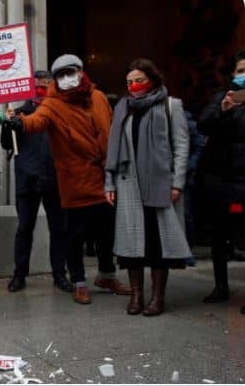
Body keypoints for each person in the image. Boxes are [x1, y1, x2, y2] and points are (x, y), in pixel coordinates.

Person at [2, 54, 132, 304]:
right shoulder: (52, 104)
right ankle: (79, 281)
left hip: (103, 176)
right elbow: (36, 121)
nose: (66, 78)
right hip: (72, 179)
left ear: (81, 72)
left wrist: (115, 167)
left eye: (70, 72)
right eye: (60, 75)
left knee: (106, 232)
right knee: (73, 234)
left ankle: (106, 274)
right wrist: (18, 123)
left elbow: (112, 130)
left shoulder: (99, 98)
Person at [105, 58, 191, 316]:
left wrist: (177, 183)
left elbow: (182, 147)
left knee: (157, 243)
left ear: (152, 79)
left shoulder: (171, 106)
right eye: (129, 81)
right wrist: (109, 182)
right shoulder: (124, 108)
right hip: (128, 183)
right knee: (131, 245)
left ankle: (158, 298)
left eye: (139, 80)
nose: (133, 85)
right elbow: (112, 147)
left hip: (160, 184)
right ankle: (136, 297)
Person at [2, 70, 72, 293]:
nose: (40, 90)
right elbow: (6, 144)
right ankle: (19, 275)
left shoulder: (60, 113)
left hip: (54, 179)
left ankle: (59, 274)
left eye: (44, 85)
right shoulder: (20, 113)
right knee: (24, 229)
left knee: (58, 229)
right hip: (27, 180)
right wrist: (8, 123)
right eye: (36, 86)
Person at [197, 50, 245, 313]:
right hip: (220, 180)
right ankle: (220, 286)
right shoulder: (220, 98)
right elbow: (203, 124)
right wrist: (224, 111)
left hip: (243, 179)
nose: (243, 75)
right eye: (240, 70)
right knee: (219, 237)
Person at [184, 109, 205, 264]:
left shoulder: (189, 124)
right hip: (167, 173)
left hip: (184, 175)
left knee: (186, 215)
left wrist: (189, 166)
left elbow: (199, 147)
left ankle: (187, 249)